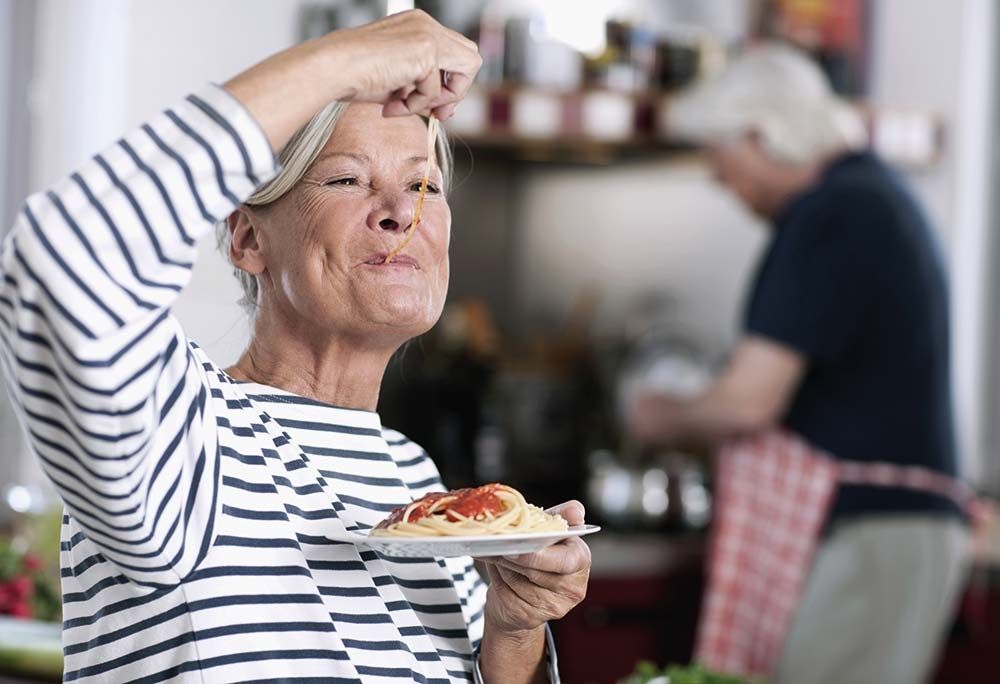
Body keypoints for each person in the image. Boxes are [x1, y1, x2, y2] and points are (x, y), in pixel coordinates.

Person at [0, 11, 590, 683]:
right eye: (347, 179)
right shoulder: (186, 436)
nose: (402, 212)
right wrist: (347, 60)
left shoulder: (417, 484)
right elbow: (64, 260)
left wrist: (514, 633)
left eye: (423, 184)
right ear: (248, 238)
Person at [627, 43, 969, 684]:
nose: (719, 179)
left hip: (875, 533)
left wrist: (653, 414)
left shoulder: (833, 211)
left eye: (721, 158)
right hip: (883, 528)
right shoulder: (864, 197)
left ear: (761, 135)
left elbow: (748, 401)